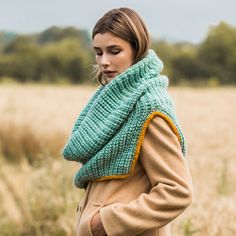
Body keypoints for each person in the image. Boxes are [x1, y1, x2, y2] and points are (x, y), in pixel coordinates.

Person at [62, 7, 194, 236]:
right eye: (98, 52)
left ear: (137, 49)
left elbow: (178, 191)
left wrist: (104, 223)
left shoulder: (149, 108)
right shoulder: (113, 102)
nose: (104, 61)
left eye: (114, 51)